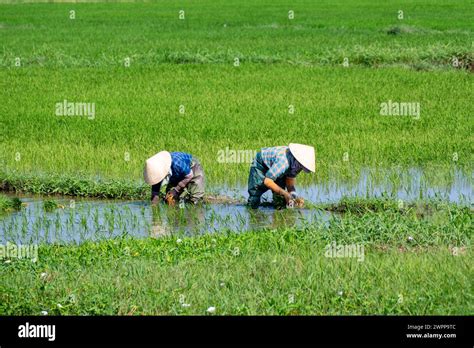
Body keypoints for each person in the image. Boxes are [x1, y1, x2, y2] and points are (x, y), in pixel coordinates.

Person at [247, 143, 315, 209]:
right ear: (298, 160)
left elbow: (290, 182)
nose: (301, 169)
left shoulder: (296, 165)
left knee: (280, 202)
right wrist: (285, 193)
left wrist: (294, 197)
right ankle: (252, 209)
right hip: (261, 165)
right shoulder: (284, 162)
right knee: (254, 200)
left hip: (277, 169)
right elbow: (267, 181)